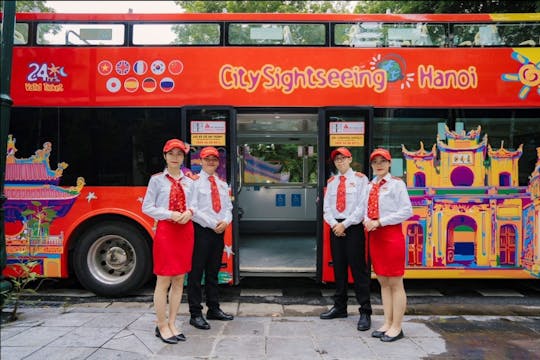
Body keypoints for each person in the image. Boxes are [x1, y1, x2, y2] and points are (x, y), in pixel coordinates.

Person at [142, 138, 194, 344]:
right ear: (165, 156)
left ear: (183, 157)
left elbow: (196, 204)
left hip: (185, 231)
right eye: (171, 153)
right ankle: (161, 325)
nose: (175, 157)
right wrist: (170, 214)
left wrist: (190, 212)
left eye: (179, 154)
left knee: (180, 279)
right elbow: (147, 207)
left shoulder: (190, 181)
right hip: (166, 230)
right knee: (163, 280)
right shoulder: (156, 180)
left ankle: (173, 322)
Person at [320, 147, 372, 331]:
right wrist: (335, 225)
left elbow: (361, 207)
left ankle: (365, 311)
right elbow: (326, 208)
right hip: (336, 228)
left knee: (359, 271)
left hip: (353, 228)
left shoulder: (360, 179)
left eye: (343, 158)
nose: (340, 161)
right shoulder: (332, 182)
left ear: (350, 159)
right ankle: (340, 307)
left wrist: (345, 225)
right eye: (337, 159)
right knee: (339, 269)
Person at [364, 148, 413, 342]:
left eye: (382, 161)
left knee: (395, 282)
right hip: (375, 236)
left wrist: (380, 221)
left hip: (391, 235)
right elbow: (366, 208)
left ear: (389, 163)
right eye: (375, 161)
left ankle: (397, 326)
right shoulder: (369, 185)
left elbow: (407, 211)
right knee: (382, 281)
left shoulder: (396, 184)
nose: (379, 164)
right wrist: (367, 219)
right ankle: (387, 322)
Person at [188, 146, 234, 330]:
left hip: (219, 232)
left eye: (214, 159)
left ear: (218, 162)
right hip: (201, 231)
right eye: (207, 159)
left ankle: (213, 308)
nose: (211, 162)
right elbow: (192, 210)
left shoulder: (222, 184)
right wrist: (212, 223)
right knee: (196, 273)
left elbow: (228, 208)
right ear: (201, 161)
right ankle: (195, 313)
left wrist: (225, 222)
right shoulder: (194, 183)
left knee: (213, 272)